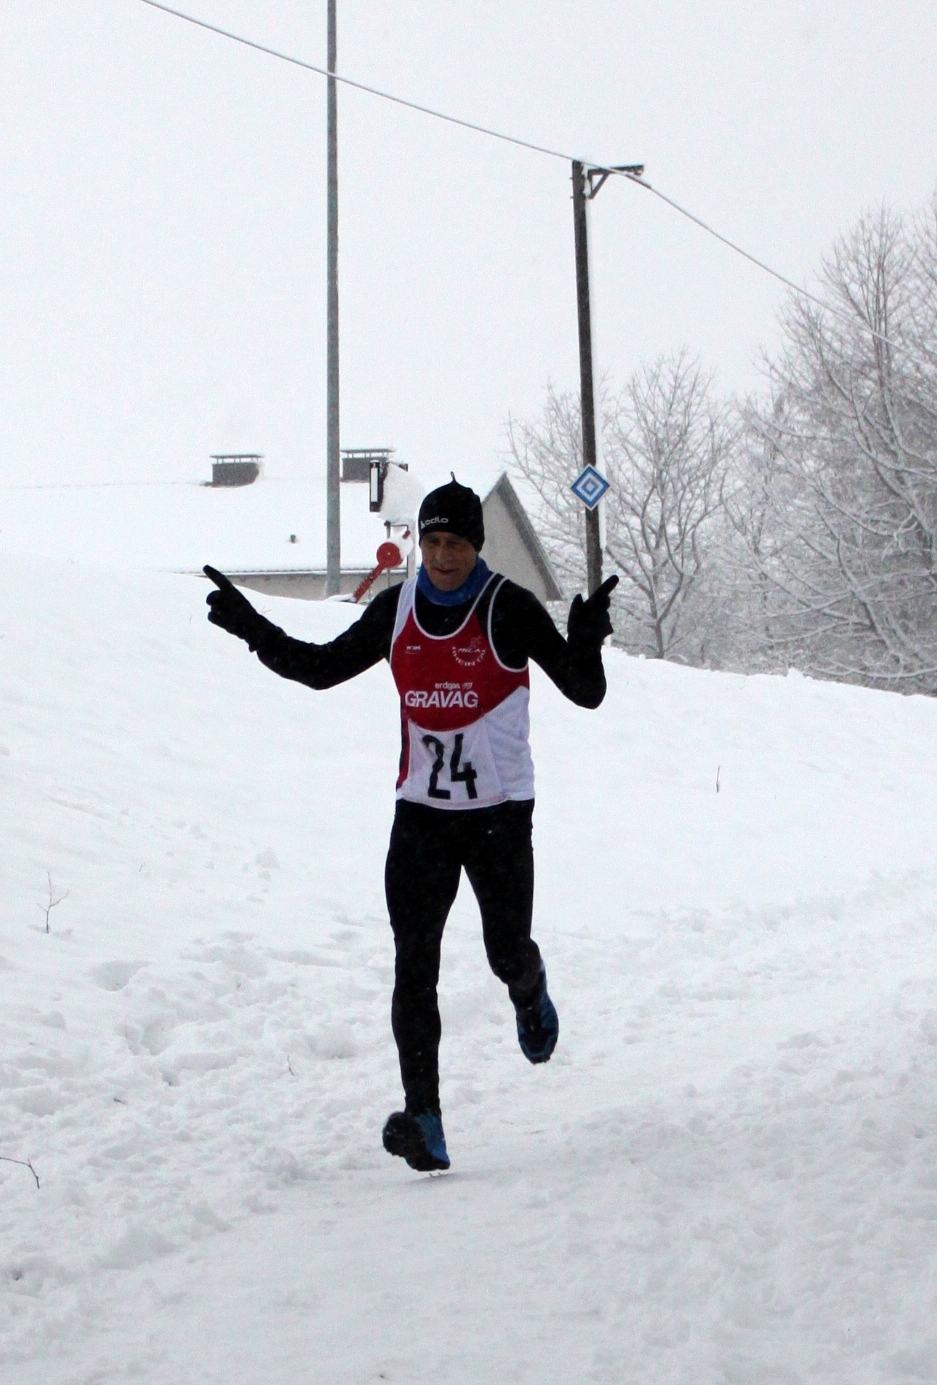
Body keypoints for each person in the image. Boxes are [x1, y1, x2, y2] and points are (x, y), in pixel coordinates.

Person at [204, 477, 616, 1172]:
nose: (443, 554)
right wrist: (253, 627)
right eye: (431, 541)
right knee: (412, 964)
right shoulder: (397, 610)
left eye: (455, 541)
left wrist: (585, 641)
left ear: (476, 545)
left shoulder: (506, 607)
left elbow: (584, 692)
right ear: (417, 544)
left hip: (498, 816)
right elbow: (320, 668)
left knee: (501, 949)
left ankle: (527, 982)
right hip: (421, 817)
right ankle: (424, 1117)